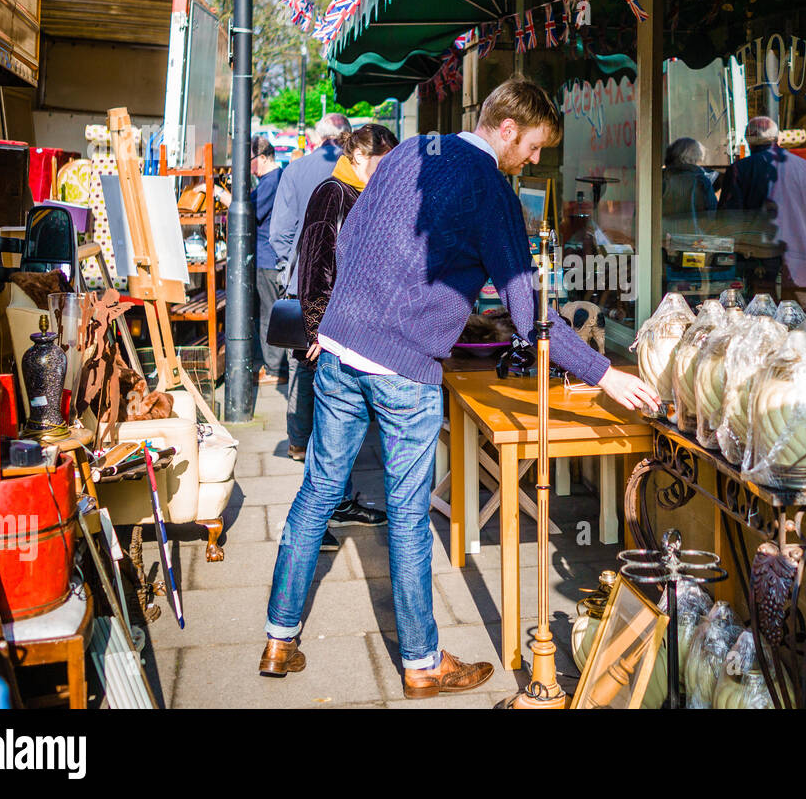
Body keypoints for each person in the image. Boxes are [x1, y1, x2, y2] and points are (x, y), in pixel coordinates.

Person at [260, 77, 660, 694]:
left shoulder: (414, 151)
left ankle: (278, 639)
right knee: (408, 515)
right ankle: (421, 662)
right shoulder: (491, 191)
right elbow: (531, 316)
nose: (533, 160)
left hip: (339, 346)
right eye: (533, 147)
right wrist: (605, 374)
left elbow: (362, 233)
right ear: (506, 128)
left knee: (318, 489)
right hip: (401, 366)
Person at [294, 124, 401, 548]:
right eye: (381, 160)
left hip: (354, 334)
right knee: (326, 448)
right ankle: (315, 526)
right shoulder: (333, 192)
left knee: (334, 444)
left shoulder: (363, 191)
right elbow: (314, 266)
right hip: (334, 335)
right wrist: (318, 329)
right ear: (357, 154)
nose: (386, 168)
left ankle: (330, 509)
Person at [268, 113, 352, 461]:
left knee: (303, 364)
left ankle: (299, 442)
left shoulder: (295, 170)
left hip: (301, 284)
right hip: (343, 284)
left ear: (318, 138)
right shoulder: (352, 171)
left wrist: (295, 264)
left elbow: (279, 233)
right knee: (342, 366)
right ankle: (335, 446)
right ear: (346, 137)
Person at [717, 117, 806, 303]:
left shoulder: (740, 170)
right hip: (800, 264)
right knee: (798, 322)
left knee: (762, 321)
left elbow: (728, 220)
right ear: (777, 138)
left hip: (758, 263)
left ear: (749, 141)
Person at [251, 136, 286, 385]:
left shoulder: (270, 181)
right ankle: (274, 365)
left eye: (251, 160)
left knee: (268, 313)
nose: (249, 166)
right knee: (273, 310)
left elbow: (249, 211)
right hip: (273, 256)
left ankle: (274, 368)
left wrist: (220, 194)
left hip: (266, 257)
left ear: (262, 158)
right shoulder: (278, 177)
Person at [661, 137, 716, 229]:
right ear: (696, 158)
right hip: (693, 238)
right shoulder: (700, 181)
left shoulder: (659, 179)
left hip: (660, 237)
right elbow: (712, 214)